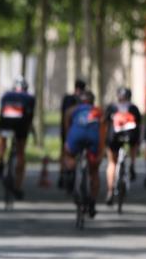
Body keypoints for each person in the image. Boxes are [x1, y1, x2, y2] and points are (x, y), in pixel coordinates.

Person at [62, 90, 108, 218]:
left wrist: (67, 143)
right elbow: (103, 130)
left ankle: (70, 174)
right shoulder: (99, 111)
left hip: (76, 137)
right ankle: (92, 202)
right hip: (93, 139)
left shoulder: (71, 110)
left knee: (69, 155)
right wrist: (101, 149)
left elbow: (68, 128)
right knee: (94, 171)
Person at [0, 76, 36, 199]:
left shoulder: (6, 95)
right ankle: (18, 187)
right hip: (21, 124)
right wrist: (33, 132)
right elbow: (30, 117)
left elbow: (1, 113)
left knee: (2, 138)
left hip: (6, 121)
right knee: (20, 153)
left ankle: (0, 161)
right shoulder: (30, 98)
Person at [104, 87, 141, 205]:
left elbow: (105, 124)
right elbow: (139, 125)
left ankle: (110, 192)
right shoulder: (133, 108)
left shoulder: (111, 107)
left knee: (112, 163)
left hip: (114, 137)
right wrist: (138, 142)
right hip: (131, 136)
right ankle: (133, 165)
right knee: (133, 144)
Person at [58, 78, 87, 188]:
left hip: (66, 128)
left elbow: (63, 113)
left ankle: (63, 173)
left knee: (65, 151)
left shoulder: (67, 98)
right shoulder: (85, 99)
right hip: (81, 129)